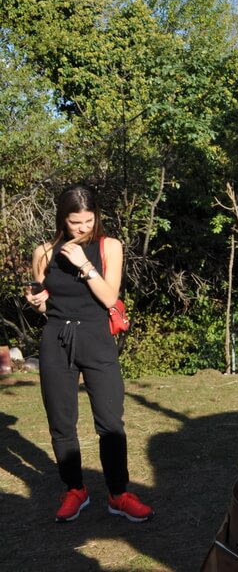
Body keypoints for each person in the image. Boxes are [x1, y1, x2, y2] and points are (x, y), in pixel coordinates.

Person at [25, 184, 153, 524]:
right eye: (74, 222)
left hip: (96, 338)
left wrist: (84, 264)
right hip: (56, 339)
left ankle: (119, 494)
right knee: (61, 422)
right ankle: (75, 489)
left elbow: (110, 298)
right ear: (62, 219)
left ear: (96, 216)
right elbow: (44, 304)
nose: (82, 228)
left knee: (110, 422)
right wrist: (37, 303)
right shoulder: (44, 252)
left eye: (88, 220)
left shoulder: (110, 246)